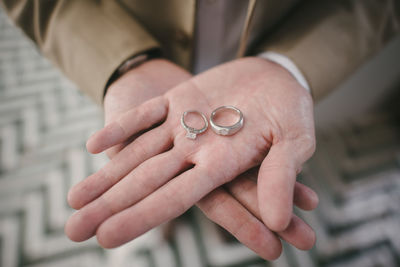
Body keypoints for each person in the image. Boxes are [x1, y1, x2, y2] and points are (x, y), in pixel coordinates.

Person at [1, 0, 399, 261]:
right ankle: (168, 219)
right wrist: (124, 60)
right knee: (154, 170)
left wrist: (289, 66)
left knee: (250, 174)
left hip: (274, 52)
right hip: (142, 42)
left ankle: (226, 218)